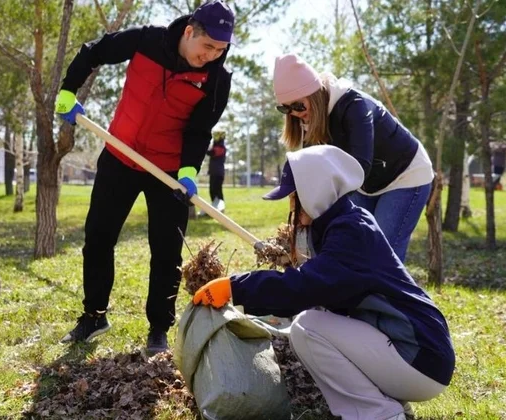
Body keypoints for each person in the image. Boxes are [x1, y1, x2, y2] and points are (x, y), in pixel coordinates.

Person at [192, 145, 455, 420]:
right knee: (316, 319)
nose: (291, 205)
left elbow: (304, 287)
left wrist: (236, 287)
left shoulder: (352, 233)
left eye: (294, 196)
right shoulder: (345, 223)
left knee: (308, 327)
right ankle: (385, 403)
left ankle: (379, 414)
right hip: (417, 353)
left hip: (419, 356)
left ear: (314, 191)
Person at [53, 1, 234, 354]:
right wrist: (68, 90)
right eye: (207, 46)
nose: (211, 55)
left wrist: (187, 171)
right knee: (99, 238)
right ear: (188, 31)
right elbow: (95, 52)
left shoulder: (216, 79)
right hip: (120, 154)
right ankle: (94, 315)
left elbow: (200, 131)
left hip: (167, 172)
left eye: (220, 50)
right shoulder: (147, 40)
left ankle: (158, 329)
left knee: (166, 251)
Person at [272, 53, 434, 263]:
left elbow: (360, 166)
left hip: (405, 177)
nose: (294, 113)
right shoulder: (308, 119)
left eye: (299, 105)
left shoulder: (354, 106)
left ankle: (391, 296)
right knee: (351, 246)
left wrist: (318, 212)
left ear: (314, 94)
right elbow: (309, 172)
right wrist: (304, 208)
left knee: (382, 255)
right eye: (286, 108)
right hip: (364, 184)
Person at [206, 131, 227, 211]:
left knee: (217, 190)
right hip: (213, 173)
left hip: (218, 173)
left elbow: (211, 153)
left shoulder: (221, 148)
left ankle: (221, 208)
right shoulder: (216, 147)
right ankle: (215, 208)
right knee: (212, 190)